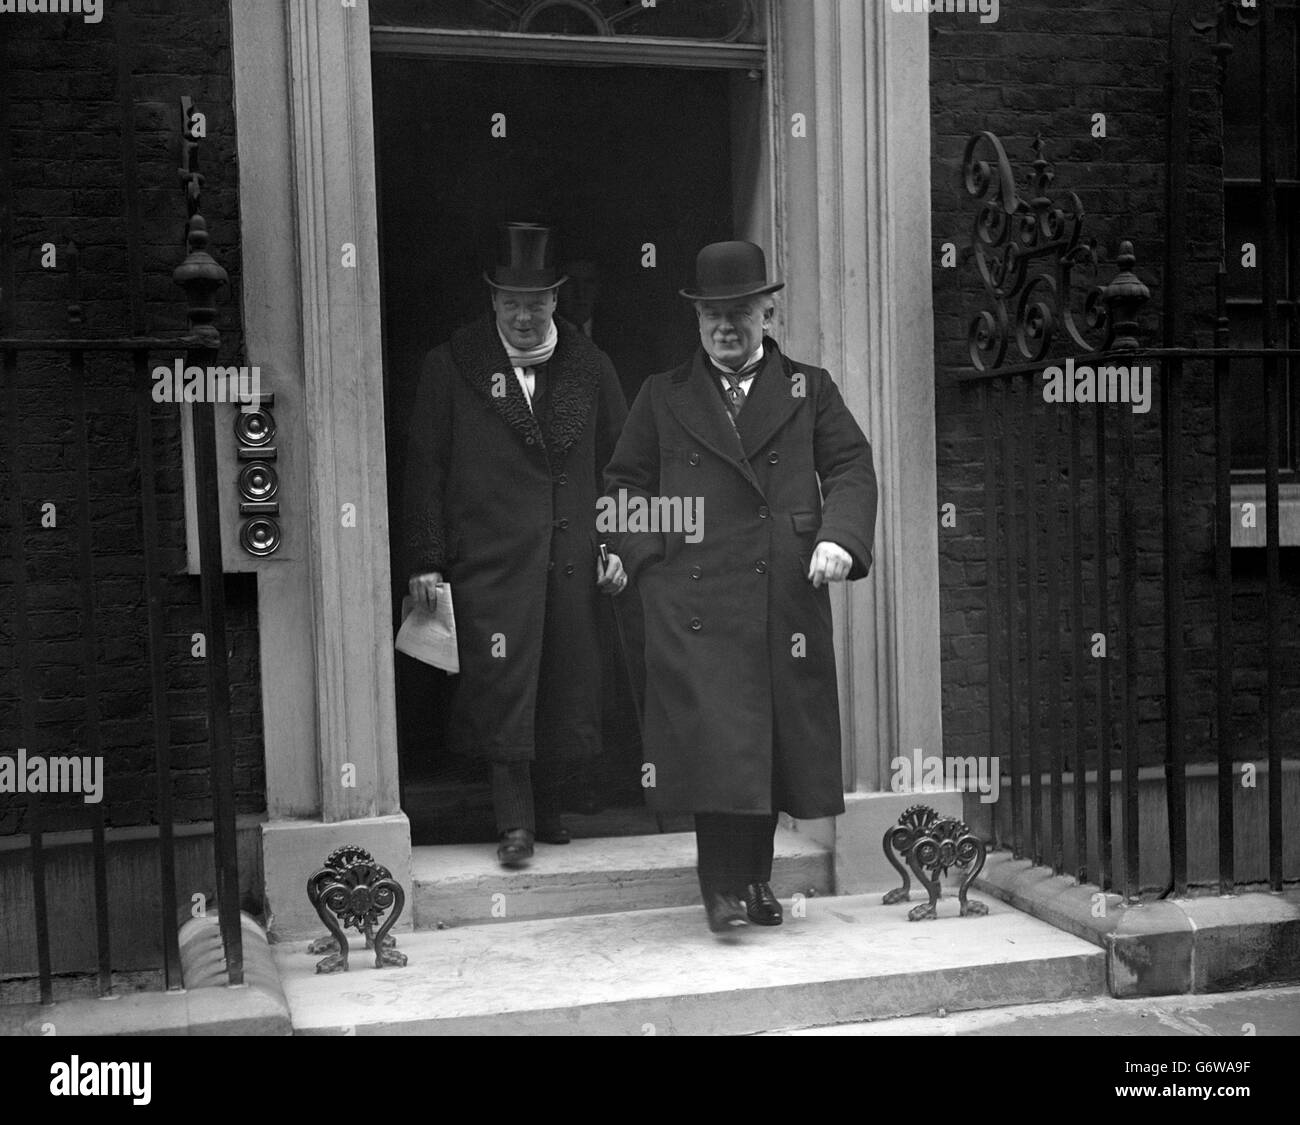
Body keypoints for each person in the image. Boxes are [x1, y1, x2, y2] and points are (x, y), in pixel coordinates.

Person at [602, 240, 878, 933]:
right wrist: (655, 548)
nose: (726, 328)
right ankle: (720, 886)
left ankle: (755, 878)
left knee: (766, 742)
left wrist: (838, 538)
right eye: (712, 316)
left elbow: (850, 464)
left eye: (740, 313)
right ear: (696, 320)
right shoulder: (661, 396)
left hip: (781, 593)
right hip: (692, 601)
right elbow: (621, 488)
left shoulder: (809, 388)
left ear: (767, 311)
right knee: (713, 744)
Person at [404, 222, 628, 867]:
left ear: (557, 300)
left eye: (536, 302)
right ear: (492, 302)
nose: (524, 316)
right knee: (502, 687)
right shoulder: (450, 366)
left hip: (569, 559)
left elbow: (622, 464)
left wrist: (615, 542)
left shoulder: (591, 366)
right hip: (490, 562)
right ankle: (514, 825)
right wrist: (425, 556)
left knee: (563, 683)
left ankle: (550, 809)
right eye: (511, 303)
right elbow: (427, 468)